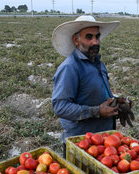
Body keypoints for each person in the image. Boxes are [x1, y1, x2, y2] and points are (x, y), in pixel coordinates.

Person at [51, 16, 120, 156]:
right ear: (76, 40)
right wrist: (97, 111)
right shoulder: (70, 67)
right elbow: (60, 106)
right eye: (89, 37)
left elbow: (98, 95)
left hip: (102, 144)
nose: (95, 42)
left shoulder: (98, 63)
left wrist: (117, 103)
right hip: (81, 145)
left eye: (97, 36)